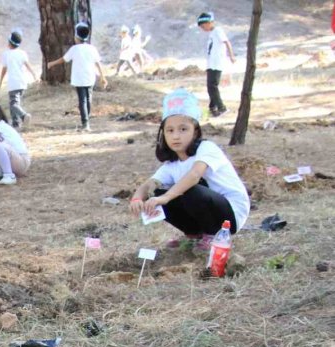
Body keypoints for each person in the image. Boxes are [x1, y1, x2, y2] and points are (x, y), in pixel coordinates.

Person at [129, 89, 249, 252]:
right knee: (157, 194)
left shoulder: (207, 148)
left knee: (190, 191)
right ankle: (193, 234)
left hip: (230, 214)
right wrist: (137, 199)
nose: (176, 136)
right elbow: (149, 184)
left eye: (183, 129)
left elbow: (194, 175)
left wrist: (166, 197)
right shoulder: (172, 165)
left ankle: (213, 234)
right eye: (170, 131)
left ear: (195, 132)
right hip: (206, 212)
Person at [46, 23, 107, 132]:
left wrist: (52, 63)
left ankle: (85, 124)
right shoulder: (92, 48)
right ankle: (86, 121)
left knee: (82, 100)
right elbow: (98, 63)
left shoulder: (75, 49)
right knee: (88, 99)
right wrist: (102, 76)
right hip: (90, 78)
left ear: (76, 37)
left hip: (79, 79)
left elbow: (64, 59)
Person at [197, 12, 236, 117]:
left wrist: (231, 56)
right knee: (211, 86)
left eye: (203, 26)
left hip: (217, 63)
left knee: (212, 86)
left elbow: (227, 42)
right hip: (211, 64)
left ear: (209, 23)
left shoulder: (218, 31)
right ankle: (213, 108)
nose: (203, 28)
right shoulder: (212, 33)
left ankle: (221, 108)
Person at [0, 30, 37, 129]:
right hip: (22, 83)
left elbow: (4, 69)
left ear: (9, 42)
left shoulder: (6, 54)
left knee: (14, 104)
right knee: (14, 104)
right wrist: (34, 75)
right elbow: (28, 65)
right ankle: (16, 124)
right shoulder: (22, 53)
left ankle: (24, 116)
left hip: (13, 83)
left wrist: (0, 81)